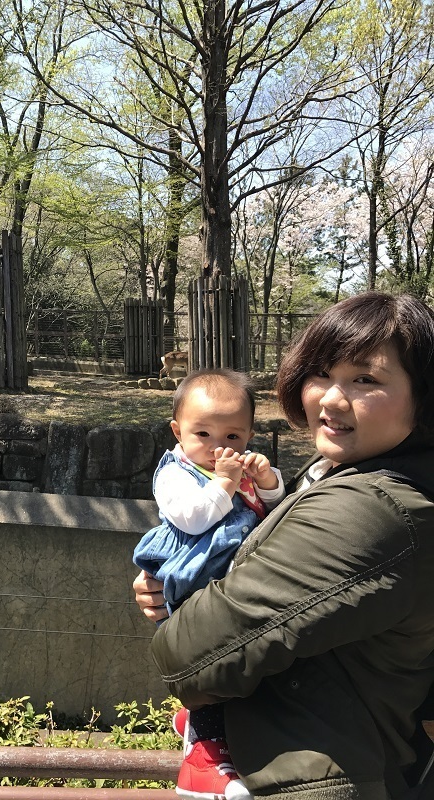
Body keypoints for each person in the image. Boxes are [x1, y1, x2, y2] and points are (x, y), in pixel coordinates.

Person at [134, 292, 434, 800]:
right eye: (322, 372)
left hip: (323, 777)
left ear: (423, 396)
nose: (330, 399)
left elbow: (190, 656)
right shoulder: (335, 477)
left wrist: (183, 597)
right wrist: (174, 572)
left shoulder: (371, 509)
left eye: (366, 379)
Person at [134, 369, 285, 800]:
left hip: (233, 582)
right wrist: (225, 482)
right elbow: (192, 518)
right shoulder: (176, 474)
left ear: (251, 434)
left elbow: (274, 511)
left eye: (234, 436)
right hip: (195, 580)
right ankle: (201, 762)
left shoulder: (241, 469)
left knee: (240, 671)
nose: (219, 446)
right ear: (177, 431)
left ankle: (200, 728)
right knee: (215, 665)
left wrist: (269, 482)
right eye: (202, 432)